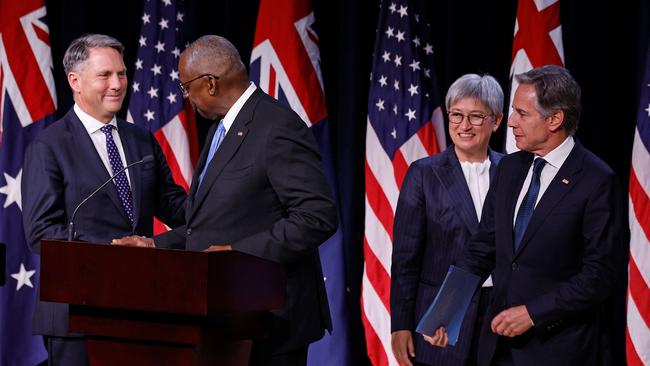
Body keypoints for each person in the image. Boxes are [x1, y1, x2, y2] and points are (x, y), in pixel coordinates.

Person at [114, 35, 338, 366]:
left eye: (186, 88)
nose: (186, 98)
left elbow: (317, 215)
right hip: (226, 322)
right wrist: (154, 246)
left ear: (211, 84)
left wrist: (238, 256)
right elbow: (211, 224)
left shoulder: (276, 126)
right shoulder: (222, 128)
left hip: (269, 321)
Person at [424, 65, 627, 366]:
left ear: (555, 119)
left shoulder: (597, 180)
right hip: (498, 349)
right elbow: (484, 246)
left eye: (522, 113)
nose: (511, 123)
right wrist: (446, 310)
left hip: (560, 350)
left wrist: (533, 313)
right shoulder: (511, 168)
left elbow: (599, 275)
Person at [21, 34, 187, 365]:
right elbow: (41, 232)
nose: (117, 84)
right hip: (77, 313)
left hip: (142, 309)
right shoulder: (49, 146)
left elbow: (176, 207)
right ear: (75, 81)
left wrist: (223, 203)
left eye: (122, 74)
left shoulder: (142, 141)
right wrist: (113, 248)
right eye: (105, 75)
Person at [391, 74, 504, 366]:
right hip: (440, 325)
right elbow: (406, 257)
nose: (464, 126)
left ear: (497, 120)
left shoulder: (513, 173)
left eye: (476, 116)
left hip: (501, 320)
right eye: (456, 115)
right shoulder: (424, 174)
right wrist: (401, 325)